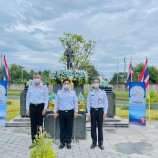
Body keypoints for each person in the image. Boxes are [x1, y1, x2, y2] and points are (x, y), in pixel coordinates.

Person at [53, 79, 78, 149]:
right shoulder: (59, 92)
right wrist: (55, 112)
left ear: (70, 84)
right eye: (65, 83)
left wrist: (76, 111)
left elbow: (75, 102)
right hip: (61, 112)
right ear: (62, 84)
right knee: (62, 128)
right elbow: (56, 103)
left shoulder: (73, 92)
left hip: (70, 112)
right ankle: (62, 142)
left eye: (67, 83)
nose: (66, 84)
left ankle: (68, 142)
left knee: (69, 128)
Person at [26, 73, 49, 142]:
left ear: (40, 78)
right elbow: (28, 99)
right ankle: (34, 141)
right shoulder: (30, 87)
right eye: (35, 77)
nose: (36, 79)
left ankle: (40, 141)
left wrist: (45, 108)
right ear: (33, 79)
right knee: (33, 125)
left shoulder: (44, 87)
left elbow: (46, 98)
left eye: (37, 77)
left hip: (40, 107)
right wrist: (27, 109)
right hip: (32, 107)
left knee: (40, 125)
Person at [87, 78, 108, 150]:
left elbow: (106, 103)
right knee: (93, 127)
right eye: (94, 82)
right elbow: (88, 103)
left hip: (100, 111)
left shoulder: (103, 92)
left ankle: (100, 143)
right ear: (93, 84)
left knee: (100, 127)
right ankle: (93, 142)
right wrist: (89, 113)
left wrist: (105, 113)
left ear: (99, 83)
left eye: (97, 82)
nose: (95, 83)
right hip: (93, 111)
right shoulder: (90, 92)